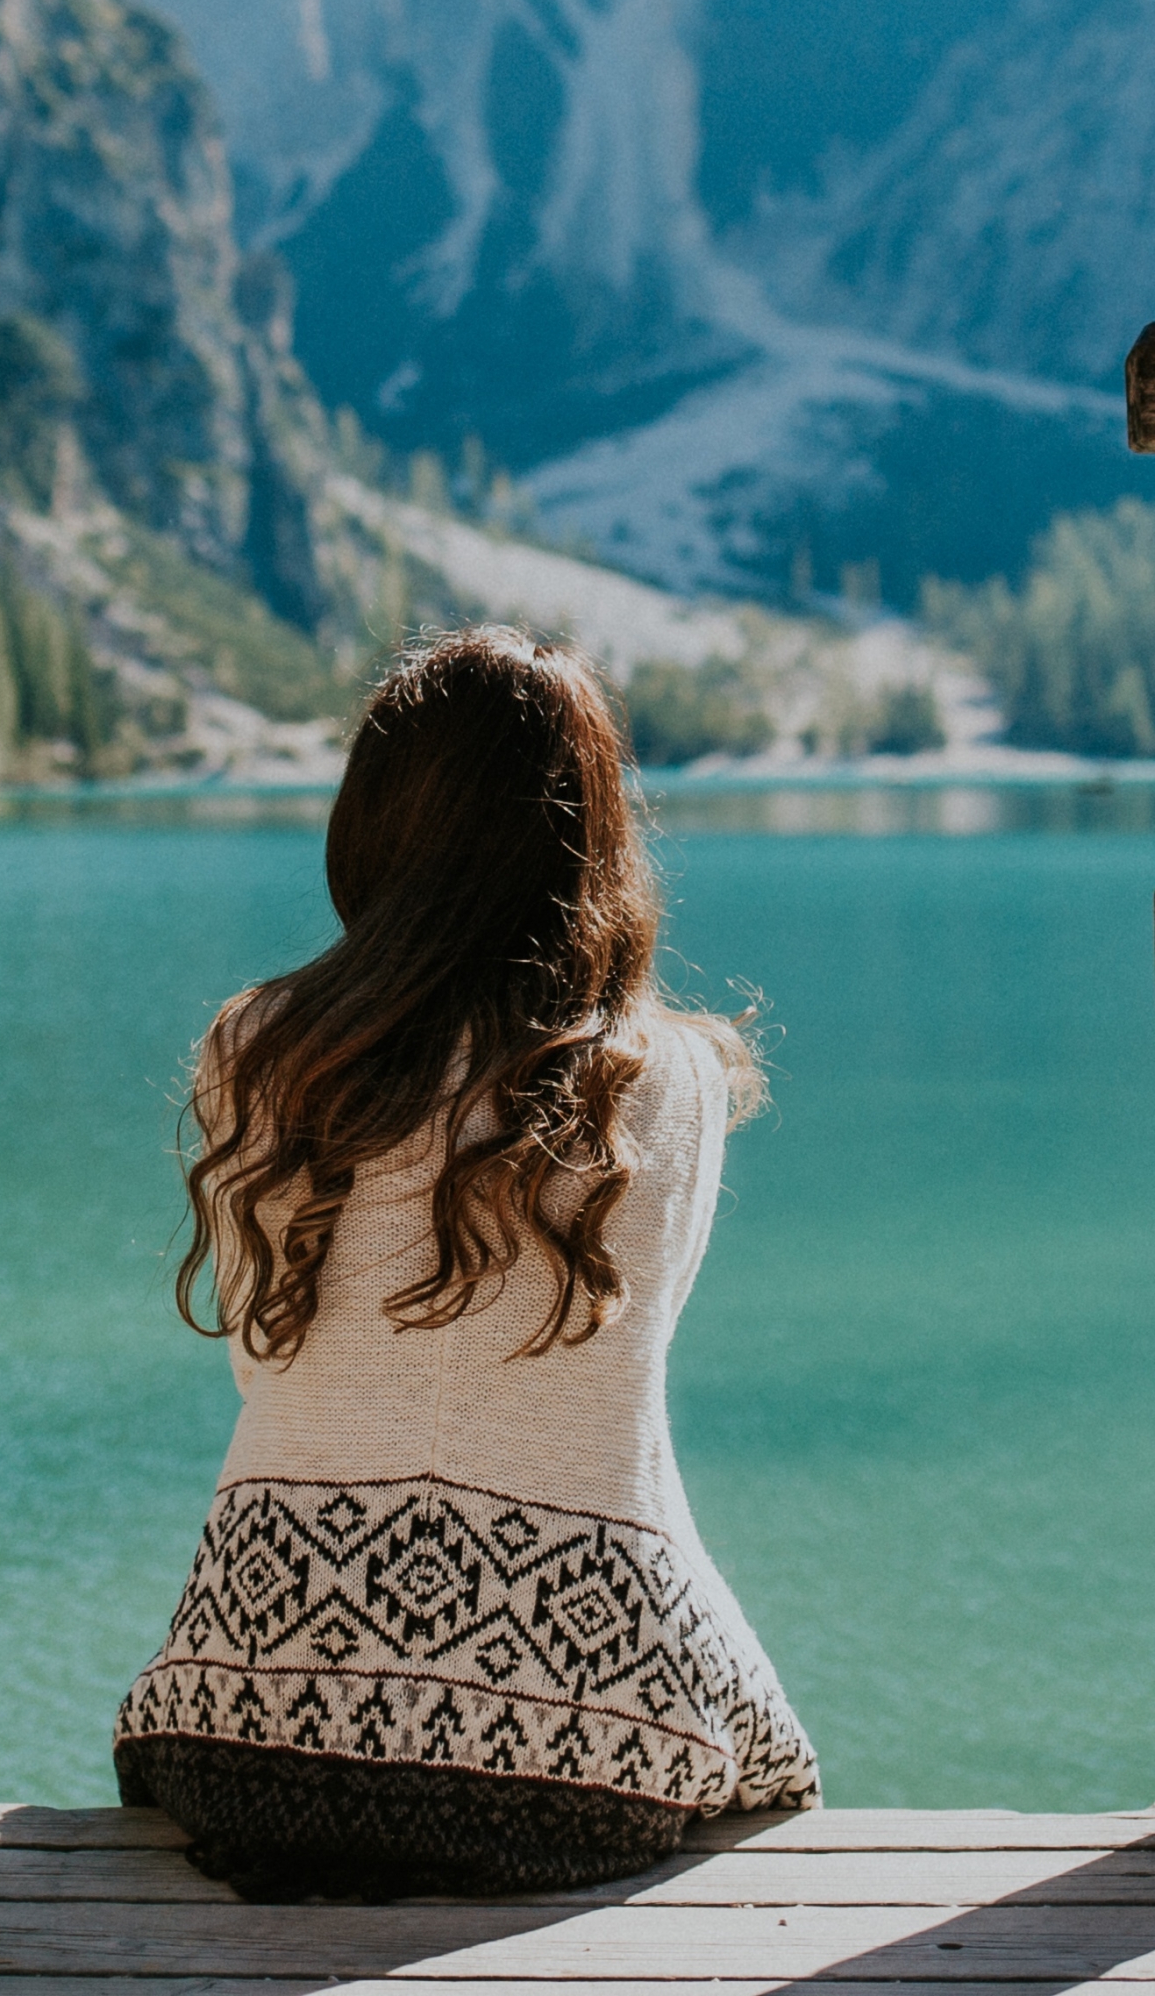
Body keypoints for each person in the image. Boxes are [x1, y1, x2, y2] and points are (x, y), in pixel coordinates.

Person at [114, 628, 816, 1899]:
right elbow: (612, 1388)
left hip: (253, 1725)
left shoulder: (255, 1049)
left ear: (373, 822)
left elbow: (273, 1368)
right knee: (774, 1757)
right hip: (586, 1760)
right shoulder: (673, 1081)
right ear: (592, 835)